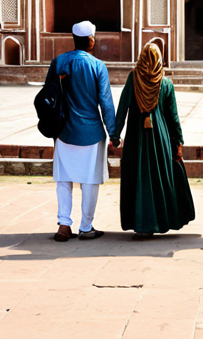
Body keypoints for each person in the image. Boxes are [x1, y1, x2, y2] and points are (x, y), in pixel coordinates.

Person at [111, 42, 195, 238]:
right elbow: (173, 118)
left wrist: (115, 136)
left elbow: (122, 109)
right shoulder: (165, 83)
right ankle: (160, 221)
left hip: (136, 139)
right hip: (160, 140)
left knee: (140, 177)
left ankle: (143, 224)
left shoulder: (133, 79)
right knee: (158, 178)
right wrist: (178, 142)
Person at [45, 21, 118, 242]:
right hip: (91, 133)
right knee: (89, 181)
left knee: (64, 180)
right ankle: (86, 227)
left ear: (74, 39)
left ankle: (64, 225)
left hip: (64, 132)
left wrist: (51, 131)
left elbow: (48, 97)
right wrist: (114, 134)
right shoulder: (98, 66)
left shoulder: (59, 62)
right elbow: (106, 103)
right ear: (92, 40)